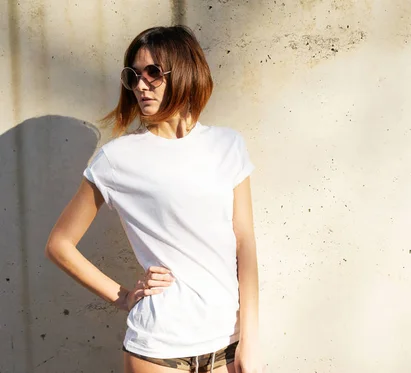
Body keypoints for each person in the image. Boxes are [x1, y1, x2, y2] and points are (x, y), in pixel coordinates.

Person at [45, 25, 262, 373]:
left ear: (186, 72)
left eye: (153, 73)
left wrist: (250, 339)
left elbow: (245, 243)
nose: (141, 84)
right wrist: (124, 296)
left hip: (228, 343)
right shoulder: (117, 159)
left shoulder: (228, 145)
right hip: (158, 349)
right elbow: (59, 244)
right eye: (133, 75)